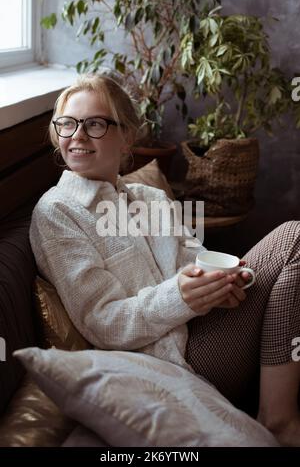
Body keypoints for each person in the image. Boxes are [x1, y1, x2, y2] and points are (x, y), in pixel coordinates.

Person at [29, 73, 300, 447]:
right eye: (67, 124)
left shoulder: (150, 198)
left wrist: (230, 282)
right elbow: (102, 322)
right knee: (294, 237)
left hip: (207, 326)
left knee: (288, 249)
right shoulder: (57, 212)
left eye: (94, 124)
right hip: (171, 358)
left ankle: (277, 416)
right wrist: (183, 297)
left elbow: (197, 259)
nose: (77, 135)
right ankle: (281, 421)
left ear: (127, 137)